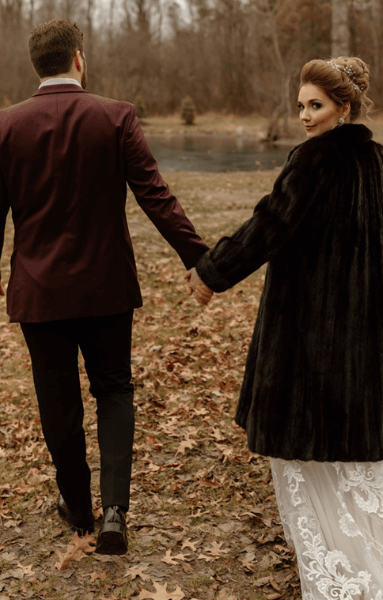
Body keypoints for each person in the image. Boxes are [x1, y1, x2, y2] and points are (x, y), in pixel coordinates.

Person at [186, 57, 383, 599]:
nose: (305, 116)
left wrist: (213, 272)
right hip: (360, 321)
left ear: (343, 108)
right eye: (301, 105)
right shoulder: (378, 158)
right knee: (352, 453)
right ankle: (353, 552)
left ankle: (339, 566)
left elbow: (271, 223)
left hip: (308, 325)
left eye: (316, 106)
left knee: (306, 447)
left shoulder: (314, 160)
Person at [0, 19, 209, 555]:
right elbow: (155, 197)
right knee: (114, 390)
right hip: (106, 288)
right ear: (78, 58)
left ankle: (79, 507)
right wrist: (202, 260)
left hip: (39, 292)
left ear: (37, 65)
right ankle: (115, 509)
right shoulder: (115, 116)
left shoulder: (6, 126)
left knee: (58, 401)